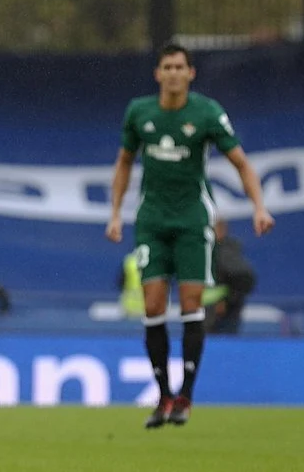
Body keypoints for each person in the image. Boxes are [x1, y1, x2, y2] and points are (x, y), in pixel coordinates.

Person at [105, 43, 274, 428]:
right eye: (168, 67)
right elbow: (124, 163)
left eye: (181, 66)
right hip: (151, 219)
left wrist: (259, 206)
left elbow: (242, 163)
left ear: (191, 73)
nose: (175, 73)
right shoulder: (139, 112)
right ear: (158, 74)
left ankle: (185, 395)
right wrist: (115, 214)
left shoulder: (207, 113)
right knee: (151, 306)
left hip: (193, 220)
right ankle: (163, 396)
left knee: (192, 303)